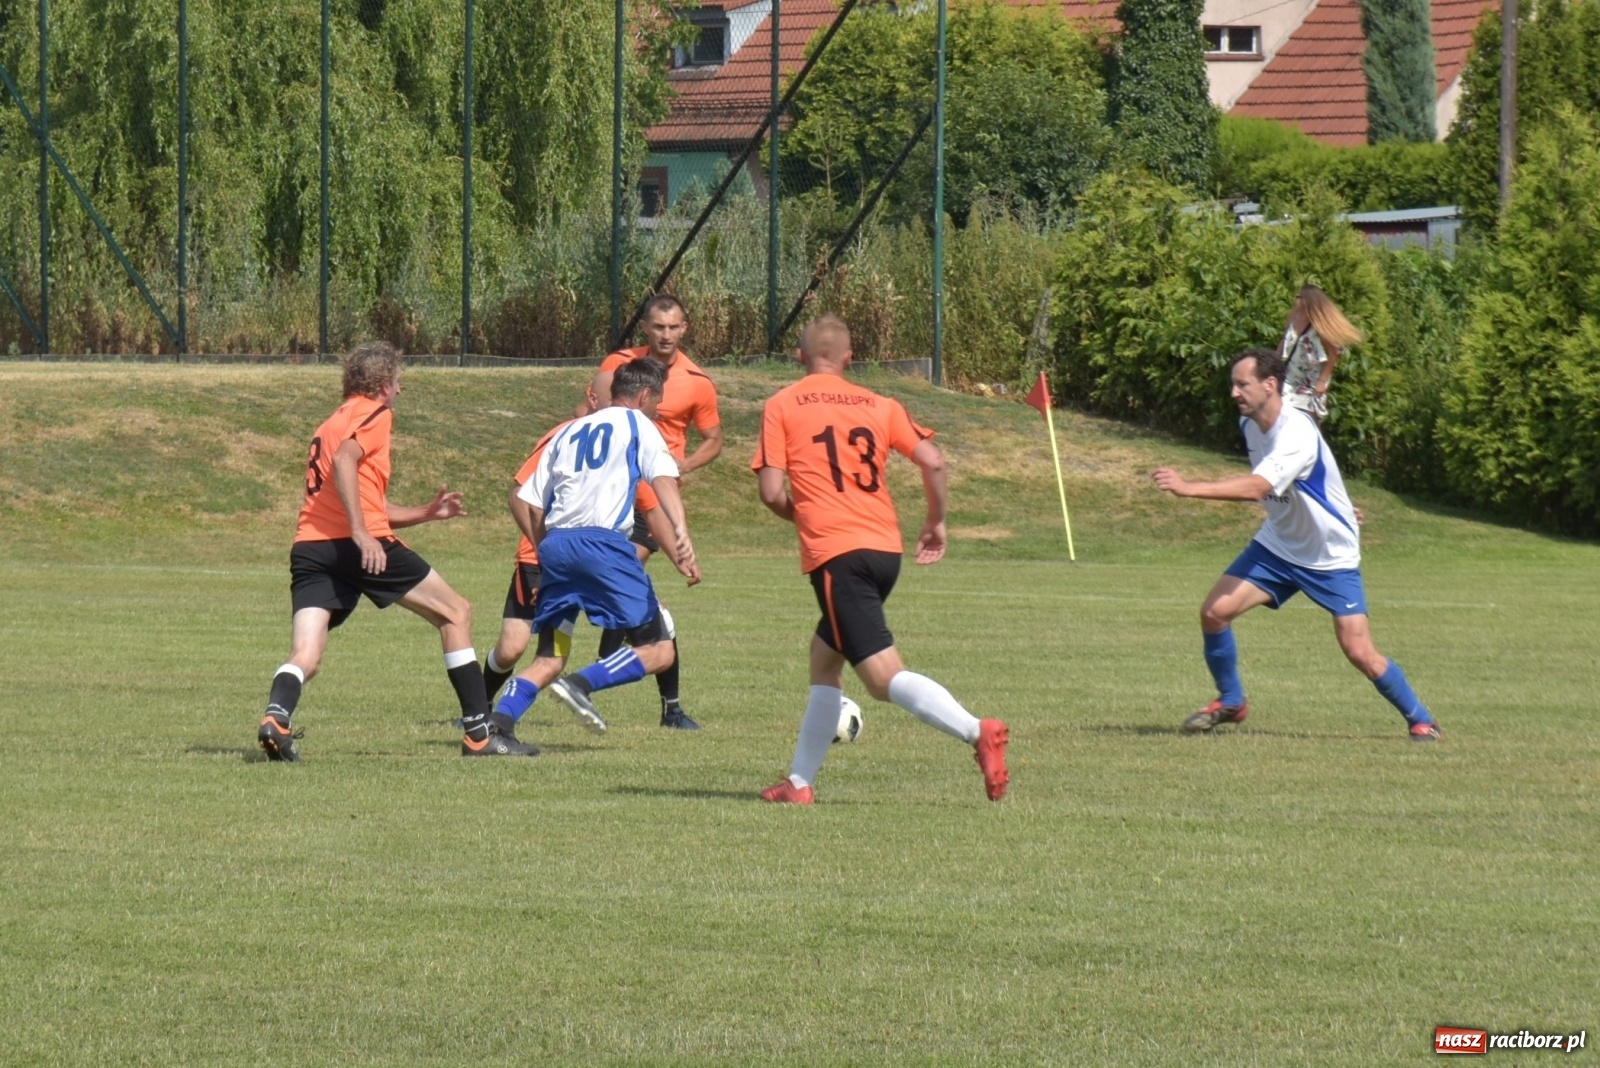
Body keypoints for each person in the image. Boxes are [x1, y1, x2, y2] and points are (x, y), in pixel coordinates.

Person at [751, 315, 1009, 804]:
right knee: (824, 660)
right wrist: (936, 522)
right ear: (849, 360)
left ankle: (979, 731)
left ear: (800, 357)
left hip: (837, 553)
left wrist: (809, 519)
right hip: (884, 550)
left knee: (882, 679)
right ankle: (799, 784)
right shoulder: (880, 404)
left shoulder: (783, 403)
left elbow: (770, 492)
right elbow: (932, 460)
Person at [257, 341, 532, 761]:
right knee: (456, 612)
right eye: (398, 383)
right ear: (383, 385)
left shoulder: (330, 423)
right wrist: (361, 534)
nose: (400, 392)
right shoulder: (375, 414)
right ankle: (479, 734)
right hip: (354, 544)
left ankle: (276, 717)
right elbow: (347, 465)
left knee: (306, 655)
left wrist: (426, 512)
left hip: (311, 547)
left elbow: (364, 498)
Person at [1151, 348, 1441, 741]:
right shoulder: (1251, 425)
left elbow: (1259, 487)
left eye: (1242, 384)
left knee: (1359, 652)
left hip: (1329, 556)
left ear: (1269, 385)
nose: (1234, 393)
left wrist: (1188, 488)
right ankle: (1232, 701)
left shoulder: (1297, 432)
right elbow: (1304, 482)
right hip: (1279, 546)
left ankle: (1421, 720)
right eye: (1232, 385)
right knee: (1214, 612)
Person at [501, 359, 700, 735]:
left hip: (557, 549)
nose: (657, 409)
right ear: (644, 396)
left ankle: (498, 725)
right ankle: (582, 684)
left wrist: (547, 553)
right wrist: (681, 529)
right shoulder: (639, 423)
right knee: (659, 649)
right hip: (604, 549)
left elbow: (528, 500)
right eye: (657, 401)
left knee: (550, 657)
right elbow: (662, 479)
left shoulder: (569, 431)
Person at [590, 294, 722, 729]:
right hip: (611, 493)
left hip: (654, 498)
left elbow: (713, 439)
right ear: (645, 327)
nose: (666, 334)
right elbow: (587, 413)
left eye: (674, 327)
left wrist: (680, 465)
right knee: (625, 583)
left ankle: (614, 658)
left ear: (685, 329)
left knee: (627, 571)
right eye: (658, 327)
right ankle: (619, 664)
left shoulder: (697, 381)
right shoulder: (620, 366)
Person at [1278, 284, 1363, 423]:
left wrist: (1322, 381)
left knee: (1304, 420)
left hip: (1311, 381)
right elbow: (1284, 340)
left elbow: (1334, 352)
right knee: (1282, 413)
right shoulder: (1293, 316)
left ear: (1308, 301)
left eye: (1300, 297)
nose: (1297, 300)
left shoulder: (1318, 326)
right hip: (1290, 376)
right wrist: (1273, 362)